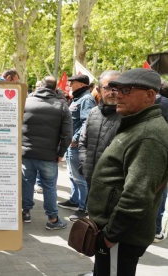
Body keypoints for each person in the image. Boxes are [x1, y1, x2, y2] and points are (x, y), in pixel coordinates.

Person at [88, 68, 168, 276]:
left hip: (120, 239)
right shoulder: (136, 125)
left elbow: (137, 196)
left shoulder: (147, 134)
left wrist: (109, 237)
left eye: (126, 90)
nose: (117, 94)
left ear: (150, 95)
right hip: (115, 234)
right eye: (116, 89)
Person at [76, 70, 121, 276]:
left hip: (114, 192)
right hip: (91, 183)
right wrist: (85, 165)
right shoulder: (93, 113)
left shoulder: (126, 116)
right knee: (96, 236)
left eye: (117, 87)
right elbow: (83, 142)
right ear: (99, 90)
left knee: (111, 242)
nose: (113, 92)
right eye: (108, 87)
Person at [21, 76, 72, 229]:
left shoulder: (26, 102)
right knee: (49, 187)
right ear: (55, 89)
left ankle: (25, 212)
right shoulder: (61, 106)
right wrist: (60, 153)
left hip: (26, 153)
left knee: (26, 183)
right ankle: (53, 219)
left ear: (39, 86)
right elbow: (67, 134)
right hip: (48, 155)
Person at [58, 74, 96, 221]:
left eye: (72, 83)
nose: (70, 85)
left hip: (75, 144)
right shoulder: (78, 98)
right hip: (70, 144)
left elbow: (88, 122)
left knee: (80, 178)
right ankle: (75, 200)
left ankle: (83, 209)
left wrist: (75, 139)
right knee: (72, 176)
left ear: (80, 84)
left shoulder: (86, 99)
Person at [153, 78, 168, 243]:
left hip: (158, 152)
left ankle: (155, 229)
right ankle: (156, 230)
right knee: (160, 192)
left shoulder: (157, 103)